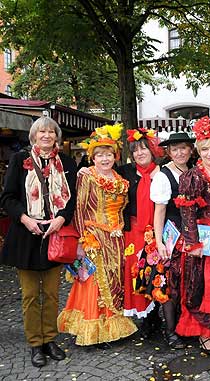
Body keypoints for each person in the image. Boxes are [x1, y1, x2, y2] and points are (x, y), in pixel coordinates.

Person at [0, 116, 77, 367]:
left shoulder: (66, 162)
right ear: (34, 136)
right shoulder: (19, 161)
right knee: (31, 295)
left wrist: (62, 219)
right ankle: (36, 342)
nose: (46, 135)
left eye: (51, 132)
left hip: (55, 234)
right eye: (41, 132)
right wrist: (24, 218)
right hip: (27, 235)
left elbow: (73, 198)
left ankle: (50, 339)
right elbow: (8, 198)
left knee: (52, 294)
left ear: (56, 137)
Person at [58, 124, 138, 346]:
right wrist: (83, 240)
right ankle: (94, 329)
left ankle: (112, 326)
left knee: (115, 282)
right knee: (94, 283)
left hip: (116, 239)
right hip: (94, 236)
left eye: (109, 154)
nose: (105, 159)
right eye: (100, 155)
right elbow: (80, 210)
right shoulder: (87, 177)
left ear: (116, 156)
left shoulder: (121, 181)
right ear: (92, 157)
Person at [173, 116, 210, 356]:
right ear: (199, 151)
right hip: (206, 237)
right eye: (205, 149)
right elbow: (187, 210)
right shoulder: (194, 176)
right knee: (206, 284)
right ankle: (205, 335)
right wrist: (193, 242)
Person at [150, 130, 196, 349]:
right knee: (170, 283)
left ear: (190, 150)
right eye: (175, 149)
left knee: (188, 281)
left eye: (183, 148)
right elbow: (159, 211)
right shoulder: (162, 175)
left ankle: (185, 325)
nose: (180, 153)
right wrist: (159, 242)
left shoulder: (194, 171)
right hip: (172, 235)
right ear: (168, 152)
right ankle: (170, 331)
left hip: (192, 234)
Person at [117, 128, 163, 337]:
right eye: (135, 150)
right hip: (134, 231)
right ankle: (145, 317)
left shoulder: (162, 173)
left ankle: (158, 312)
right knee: (137, 273)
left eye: (144, 149)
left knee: (157, 272)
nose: (140, 153)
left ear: (152, 150)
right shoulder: (125, 172)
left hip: (157, 229)